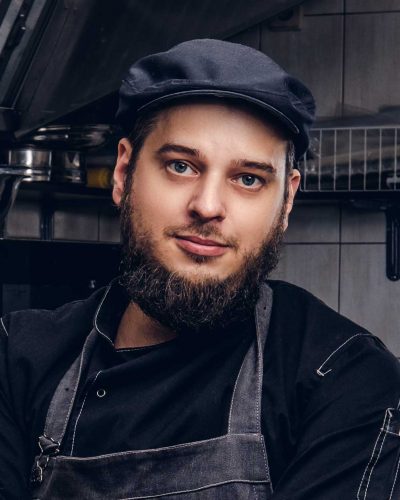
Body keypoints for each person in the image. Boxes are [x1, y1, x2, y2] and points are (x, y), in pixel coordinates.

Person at [1, 39, 399, 500]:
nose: (208, 206)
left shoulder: (342, 376)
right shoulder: (19, 358)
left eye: (248, 179)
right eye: (181, 166)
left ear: (287, 200)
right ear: (124, 173)